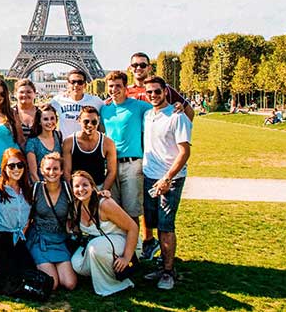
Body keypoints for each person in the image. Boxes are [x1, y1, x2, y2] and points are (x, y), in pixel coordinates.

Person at [142, 76, 192, 291]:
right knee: (153, 223)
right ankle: (162, 265)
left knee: (166, 226)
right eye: (149, 92)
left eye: (157, 91)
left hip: (169, 179)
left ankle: (169, 271)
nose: (153, 95)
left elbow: (185, 151)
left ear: (165, 92)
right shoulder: (147, 115)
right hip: (149, 176)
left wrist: (167, 178)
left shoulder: (177, 116)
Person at [100, 70, 157, 258]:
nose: (114, 90)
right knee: (114, 210)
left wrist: (180, 107)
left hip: (132, 164)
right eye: (111, 86)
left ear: (126, 88)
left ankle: (134, 252)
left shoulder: (140, 107)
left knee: (132, 210)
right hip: (110, 165)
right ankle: (119, 249)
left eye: (118, 86)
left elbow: (161, 112)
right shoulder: (104, 109)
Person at [71, 170, 139, 296]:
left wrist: (126, 257)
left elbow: (133, 228)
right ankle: (104, 271)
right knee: (77, 264)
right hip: (101, 243)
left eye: (85, 185)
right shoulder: (77, 206)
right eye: (76, 186)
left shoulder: (105, 203)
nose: (81, 189)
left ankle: (114, 284)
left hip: (125, 242)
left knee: (95, 247)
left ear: (92, 186)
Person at [0, 148, 34, 292]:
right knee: (4, 281)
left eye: (20, 165)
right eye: (11, 166)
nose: (16, 169)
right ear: (4, 167)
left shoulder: (27, 187)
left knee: (29, 275)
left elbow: (28, 218)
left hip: (17, 238)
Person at [26, 152, 77, 291]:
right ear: (42, 171)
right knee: (51, 284)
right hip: (39, 239)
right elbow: (26, 217)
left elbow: (85, 200)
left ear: (61, 171)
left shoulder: (68, 189)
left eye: (55, 169)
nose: (51, 172)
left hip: (59, 239)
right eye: (48, 169)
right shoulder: (36, 189)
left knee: (70, 284)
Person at [63, 106, 117, 190]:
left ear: (98, 121)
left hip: (98, 187)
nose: (90, 125)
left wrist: (102, 192)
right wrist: (72, 192)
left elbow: (112, 171)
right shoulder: (69, 142)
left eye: (94, 122)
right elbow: (66, 171)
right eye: (86, 121)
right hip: (77, 188)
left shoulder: (108, 143)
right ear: (79, 120)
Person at [50, 69, 105, 139]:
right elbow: (43, 111)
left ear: (85, 85)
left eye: (80, 82)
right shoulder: (58, 100)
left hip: (87, 146)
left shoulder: (95, 101)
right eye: (73, 82)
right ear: (68, 84)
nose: (76, 85)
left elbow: (108, 110)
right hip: (66, 146)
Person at [24, 104, 63, 182]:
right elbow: (33, 173)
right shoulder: (32, 142)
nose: (49, 122)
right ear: (39, 122)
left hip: (57, 185)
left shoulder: (58, 135)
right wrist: (41, 190)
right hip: (41, 185)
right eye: (45, 119)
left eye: (52, 118)